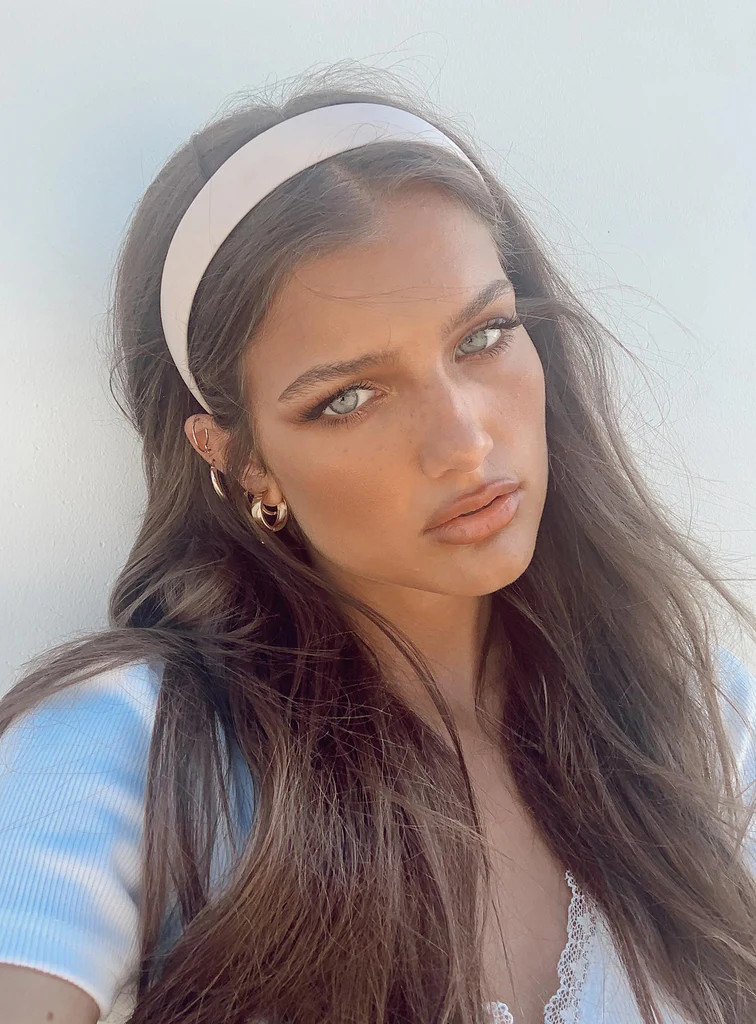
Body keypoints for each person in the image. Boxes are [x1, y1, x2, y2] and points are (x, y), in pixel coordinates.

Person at [0, 66, 754, 1024]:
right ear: (240, 459)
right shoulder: (134, 747)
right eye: (347, 398)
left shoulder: (698, 714)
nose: (465, 441)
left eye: (483, 337)